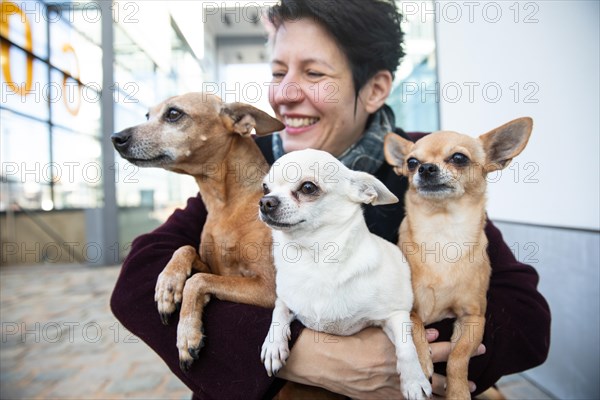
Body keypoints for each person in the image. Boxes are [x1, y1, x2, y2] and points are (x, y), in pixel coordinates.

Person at [110, 0, 551, 398]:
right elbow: (136, 284)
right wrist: (308, 355)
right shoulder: (250, 164)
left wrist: (400, 360)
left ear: (375, 89)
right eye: (278, 72)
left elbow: (524, 318)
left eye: (314, 73)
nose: (284, 94)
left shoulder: (426, 167)